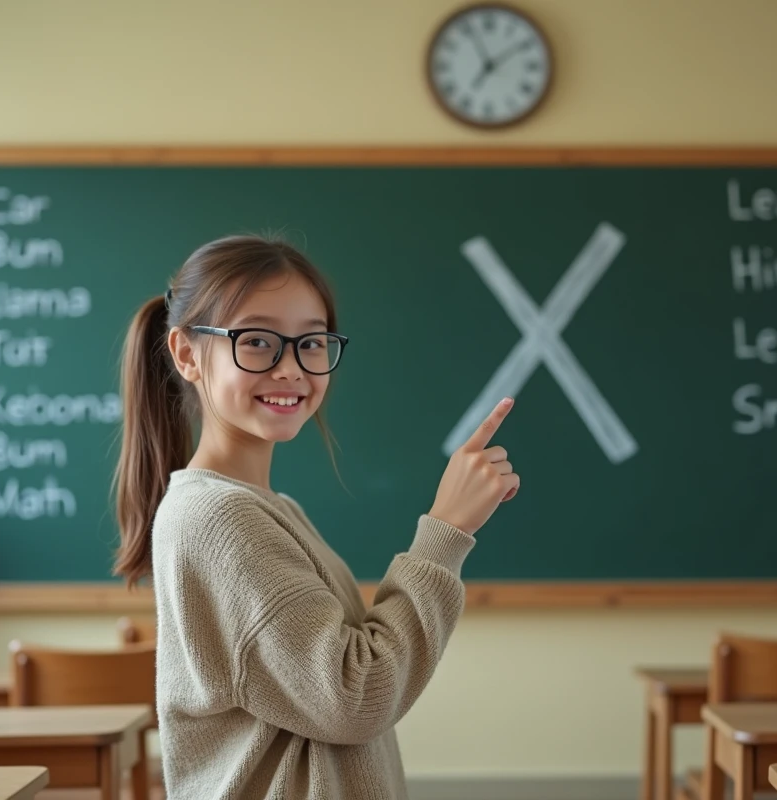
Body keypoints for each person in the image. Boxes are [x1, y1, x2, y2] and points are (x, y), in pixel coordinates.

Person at [112, 235, 520, 799]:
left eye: (312, 342)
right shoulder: (219, 518)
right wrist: (446, 531)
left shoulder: (270, 510)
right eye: (257, 341)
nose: (291, 368)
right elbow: (356, 696)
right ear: (186, 354)